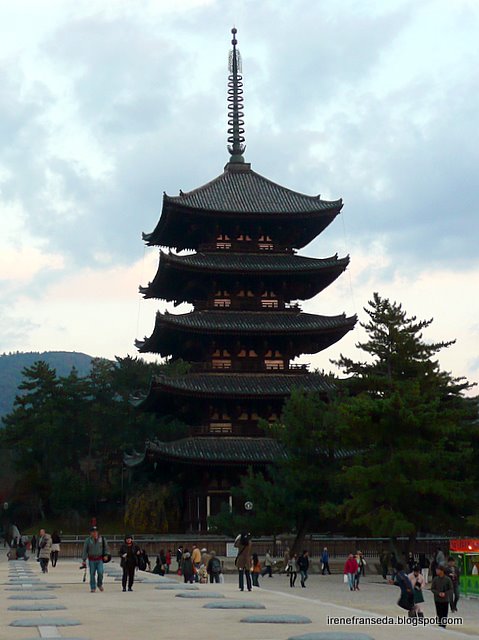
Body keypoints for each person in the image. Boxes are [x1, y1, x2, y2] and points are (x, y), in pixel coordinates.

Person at [81, 525, 110, 593]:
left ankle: (99, 584)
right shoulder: (88, 540)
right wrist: (84, 560)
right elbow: (85, 550)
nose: (94, 533)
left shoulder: (102, 539)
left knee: (100, 572)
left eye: (96, 532)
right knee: (92, 574)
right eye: (93, 532)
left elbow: (106, 548)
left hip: (99, 559)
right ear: (90, 533)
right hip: (91, 559)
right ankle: (93, 587)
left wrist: (106, 555)